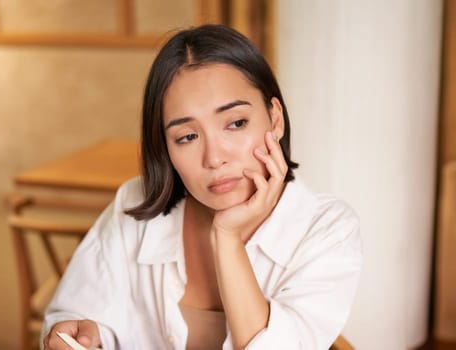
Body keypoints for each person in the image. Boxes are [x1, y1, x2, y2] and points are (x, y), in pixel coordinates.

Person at [41, 24, 362, 350]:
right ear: (166, 147)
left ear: (275, 119)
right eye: (187, 137)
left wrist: (227, 239)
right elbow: (75, 313)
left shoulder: (329, 231)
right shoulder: (135, 204)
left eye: (236, 123)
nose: (214, 157)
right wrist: (85, 336)